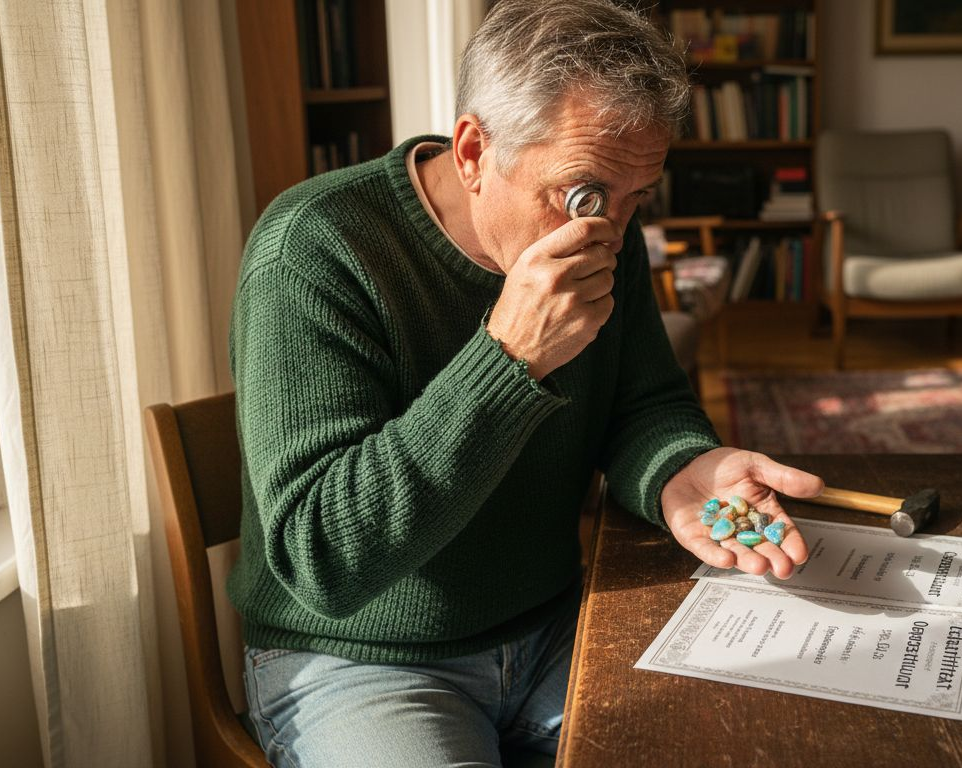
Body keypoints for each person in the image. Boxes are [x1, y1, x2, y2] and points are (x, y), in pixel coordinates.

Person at [228, 1, 822, 765]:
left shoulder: (608, 231)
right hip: (361, 656)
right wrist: (509, 357)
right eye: (581, 194)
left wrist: (681, 467)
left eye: (637, 195)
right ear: (474, 149)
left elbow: (643, 404)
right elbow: (325, 560)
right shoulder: (316, 248)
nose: (606, 227)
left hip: (554, 625)